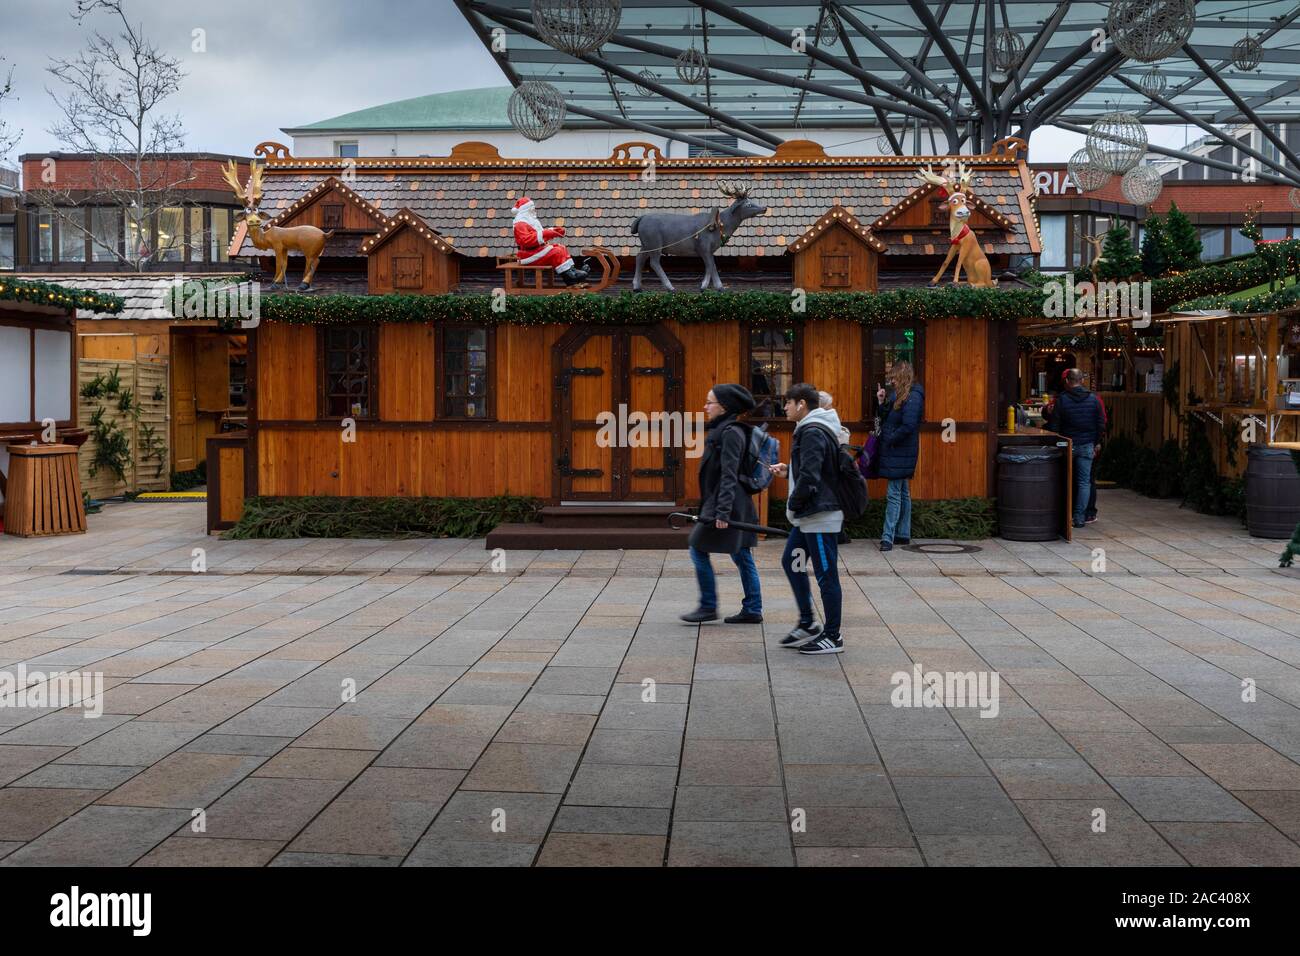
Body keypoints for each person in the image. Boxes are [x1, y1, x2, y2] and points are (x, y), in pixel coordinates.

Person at [769, 383, 845, 655]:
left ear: (801, 404)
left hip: (819, 516)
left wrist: (793, 501)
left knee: (826, 575)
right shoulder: (811, 428)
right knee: (792, 561)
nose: (785, 407)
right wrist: (789, 472)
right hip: (809, 516)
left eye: (788, 403)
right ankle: (807, 622)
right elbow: (814, 470)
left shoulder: (811, 431)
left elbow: (812, 477)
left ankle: (833, 636)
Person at [680, 384, 763, 625]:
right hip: (729, 503)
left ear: (724, 406)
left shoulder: (730, 433)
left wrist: (723, 512)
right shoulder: (723, 430)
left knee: (698, 548)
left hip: (727, 505)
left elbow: (729, 475)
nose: (705, 407)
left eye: (710, 403)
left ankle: (708, 606)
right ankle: (752, 608)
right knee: (741, 555)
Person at [1044, 368, 1104, 529]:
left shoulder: (1062, 400)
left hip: (1067, 445)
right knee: (1084, 483)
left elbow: (1054, 425)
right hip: (1086, 445)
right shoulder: (1094, 399)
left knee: (1065, 480)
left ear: (1067, 381)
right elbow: (1100, 423)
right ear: (1082, 380)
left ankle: (1064, 515)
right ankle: (1079, 518)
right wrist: (1096, 442)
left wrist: (1055, 442)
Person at [876, 360, 924, 552]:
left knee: (894, 494)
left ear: (902, 377)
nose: (891, 381)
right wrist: (881, 401)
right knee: (902, 491)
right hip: (899, 450)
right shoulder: (900, 395)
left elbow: (908, 426)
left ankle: (887, 537)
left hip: (900, 450)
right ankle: (903, 534)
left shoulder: (913, 396)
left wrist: (890, 439)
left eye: (894, 377)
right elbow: (886, 417)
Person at [512, 196, 589, 286]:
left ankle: (571, 270)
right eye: (531, 209)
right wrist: (547, 233)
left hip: (537, 250)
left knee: (561, 247)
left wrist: (554, 230)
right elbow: (526, 241)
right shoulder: (520, 225)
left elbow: (539, 233)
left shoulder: (530, 222)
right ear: (525, 211)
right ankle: (570, 277)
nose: (534, 211)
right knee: (556, 252)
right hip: (528, 254)